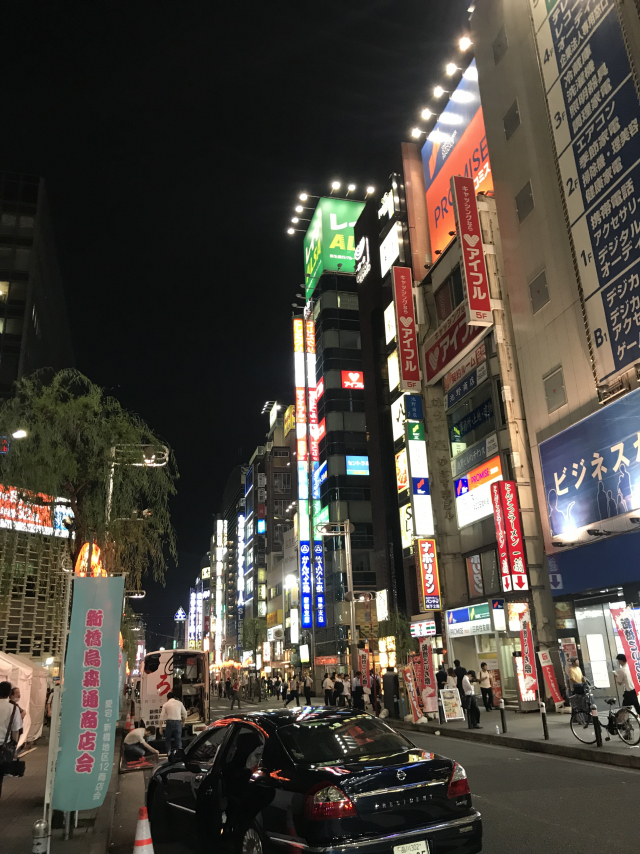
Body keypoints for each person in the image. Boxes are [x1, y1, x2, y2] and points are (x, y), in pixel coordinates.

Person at [0, 681, 22, 798]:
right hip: (3, 747)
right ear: (9, 693)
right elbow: (15, 731)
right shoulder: (13, 708)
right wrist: (14, 746)